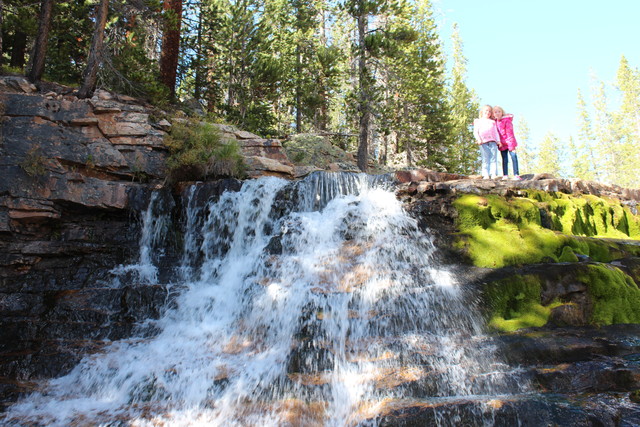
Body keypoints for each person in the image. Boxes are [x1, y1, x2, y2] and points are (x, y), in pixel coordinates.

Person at [493, 106, 521, 180]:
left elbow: (510, 132)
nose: (497, 113)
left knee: (513, 157)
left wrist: (511, 144)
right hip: (501, 144)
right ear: (493, 114)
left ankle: (516, 174)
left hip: (509, 142)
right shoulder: (494, 122)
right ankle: (505, 174)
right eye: (495, 112)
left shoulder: (506, 120)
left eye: (499, 111)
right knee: (504, 159)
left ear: (502, 112)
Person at [473, 105, 501, 179]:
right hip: (483, 142)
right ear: (482, 111)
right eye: (486, 110)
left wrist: (498, 141)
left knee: (493, 158)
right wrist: (478, 139)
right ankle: (485, 174)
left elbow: (496, 132)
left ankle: (493, 174)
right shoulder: (478, 121)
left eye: (489, 111)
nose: (488, 112)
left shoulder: (492, 122)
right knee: (485, 158)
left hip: (493, 141)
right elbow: (476, 132)